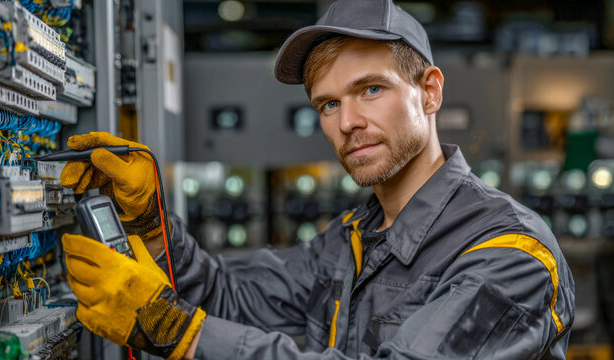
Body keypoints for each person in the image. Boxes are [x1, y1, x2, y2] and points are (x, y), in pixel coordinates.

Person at [60, 0, 575, 359]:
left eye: (371, 89)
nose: (347, 121)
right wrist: (152, 225)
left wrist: (182, 334)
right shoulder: (351, 240)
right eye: (329, 103)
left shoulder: (511, 255)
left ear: (430, 92)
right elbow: (226, 297)